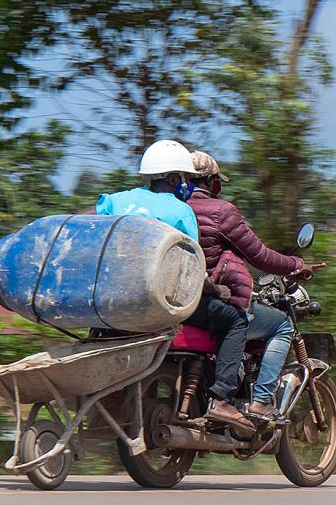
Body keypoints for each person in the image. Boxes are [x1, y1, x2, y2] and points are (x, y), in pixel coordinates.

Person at [96, 139, 251, 433]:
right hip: (159, 304)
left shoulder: (114, 200)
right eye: (183, 178)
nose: (186, 185)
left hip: (112, 301)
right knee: (235, 322)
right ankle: (221, 400)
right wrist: (215, 290)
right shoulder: (180, 211)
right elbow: (192, 268)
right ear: (172, 178)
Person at [186, 150, 317, 425]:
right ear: (213, 183)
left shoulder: (172, 209)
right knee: (281, 324)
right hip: (217, 298)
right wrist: (296, 264)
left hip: (180, 299)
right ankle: (259, 401)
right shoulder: (222, 212)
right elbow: (260, 256)